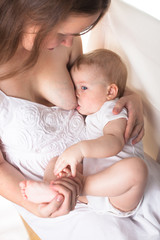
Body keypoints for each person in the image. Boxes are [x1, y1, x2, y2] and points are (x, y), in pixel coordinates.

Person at [0, 0, 145, 239]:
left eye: (75, 33)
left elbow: (91, 87)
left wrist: (129, 96)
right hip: (44, 191)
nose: (69, 41)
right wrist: (35, 207)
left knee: (145, 184)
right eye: (61, 32)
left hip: (102, 162)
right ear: (33, 13)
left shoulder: (67, 45)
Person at [20, 49, 148, 216]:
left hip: (118, 193)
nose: (77, 93)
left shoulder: (112, 109)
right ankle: (53, 189)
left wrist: (80, 150)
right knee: (56, 161)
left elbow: (115, 142)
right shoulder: (93, 111)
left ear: (110, 92)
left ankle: (78, 186)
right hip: (95, 188)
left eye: (84, 87)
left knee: (137, 170)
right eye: (75, 87)